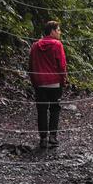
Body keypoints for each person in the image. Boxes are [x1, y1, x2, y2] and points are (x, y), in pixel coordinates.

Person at [28, 20, 68, 148]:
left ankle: (43, 138)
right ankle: (53, 136)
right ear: (52, 31)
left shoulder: (35, 46)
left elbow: (31, 65)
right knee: (55, 108)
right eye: (58, 30)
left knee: (42, 110)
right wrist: (63, 81)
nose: (60, 32)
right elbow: (62, 65)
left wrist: (34, 81)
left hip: (40, 83)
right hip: (54, 83)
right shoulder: (57, 45)